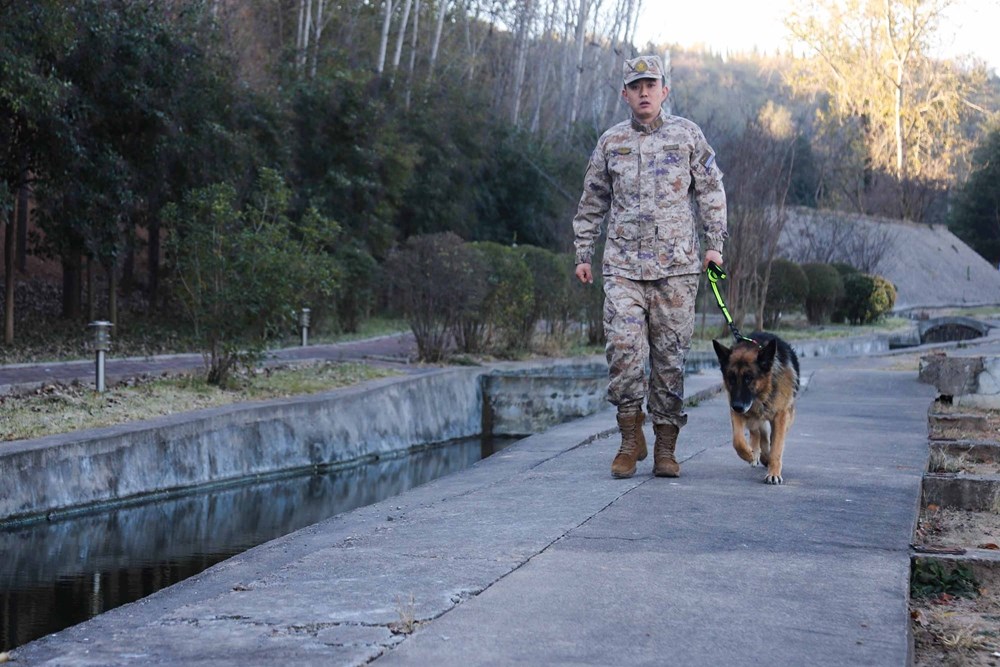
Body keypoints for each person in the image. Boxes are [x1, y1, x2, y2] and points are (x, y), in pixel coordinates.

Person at [572, 54, 727, 479]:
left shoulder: (688, 136)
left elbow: (712, 192)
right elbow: (592, 201)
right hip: (622, 267)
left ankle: (665, 447)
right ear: (625, 94)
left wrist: (714, 246)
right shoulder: (611, 143)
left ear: (665, 91)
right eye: (635, 86)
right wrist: (583, 252)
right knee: (622, 353)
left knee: (670, 360)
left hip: (676, 269)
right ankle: (627, 439)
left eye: (651, 84)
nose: (644, 92)